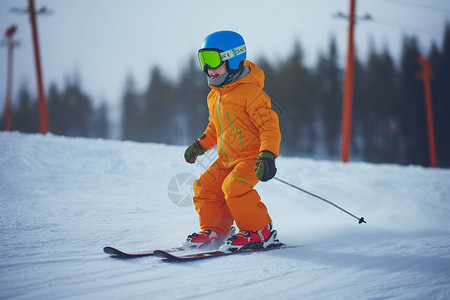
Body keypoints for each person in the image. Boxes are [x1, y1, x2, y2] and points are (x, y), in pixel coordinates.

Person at [182, 30, 281, 252]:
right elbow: (215, 128)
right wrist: (199, 146)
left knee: (234, 187)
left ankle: (260, 231)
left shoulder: (251, 93)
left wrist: (267, 156)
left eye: (214, 60)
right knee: (205, 186)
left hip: (252, 158)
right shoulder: (214, 95)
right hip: (228, 159)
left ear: (232, 59)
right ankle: (216, 229)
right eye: (203, 61)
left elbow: (269, 126)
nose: (209, 69)